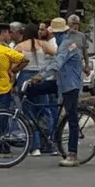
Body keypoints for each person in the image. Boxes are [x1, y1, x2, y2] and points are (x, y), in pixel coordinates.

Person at [32, 17, 83, 167]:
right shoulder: (62, 43)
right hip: (61, 82)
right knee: (33, 90)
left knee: (72, 119)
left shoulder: (67, 45)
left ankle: (72, 154)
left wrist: (40, 76)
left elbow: (57, 64)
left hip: (70, 85)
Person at [14, 23, 57, 156]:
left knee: (28, 112)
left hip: (25, 78)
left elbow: (14, 63)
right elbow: (56, 53)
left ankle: (34, 146)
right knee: (44, 110)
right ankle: (49, 142)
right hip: (40, 77)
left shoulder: (20, 46)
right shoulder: (43, 45)